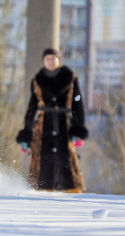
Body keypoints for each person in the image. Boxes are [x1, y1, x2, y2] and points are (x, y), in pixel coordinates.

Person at [16, 48, 88, 193]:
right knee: (42, 159)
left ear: (58, 60)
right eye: (47, 59)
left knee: (67, 157)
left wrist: (78, 129)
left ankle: (72, 191)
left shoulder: (71, 78)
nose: (50, 61)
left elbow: (77, 105)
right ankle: (43, 190)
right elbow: (32, 108)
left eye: (53, 58)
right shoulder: (37, 81)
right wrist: (27, 133)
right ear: (43, 61)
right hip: (43, 124)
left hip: (64, 123)